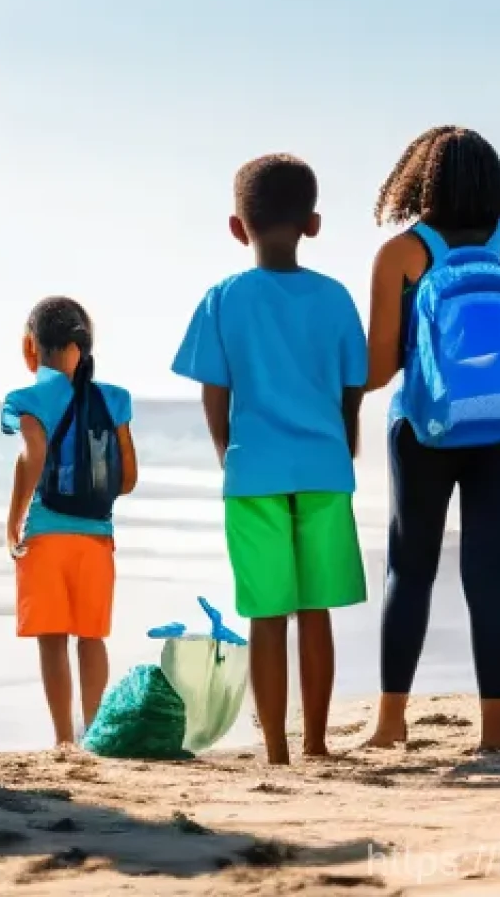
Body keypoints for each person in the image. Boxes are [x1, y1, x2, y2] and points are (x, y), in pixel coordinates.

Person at [172, 154, 368, 765]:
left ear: (238, 227)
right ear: (313, 223)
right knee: (315, 609)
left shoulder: (223, 299)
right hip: (323, 470)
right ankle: (317, 742)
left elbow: (214, 394)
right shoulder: (335, 298)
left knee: (265, 614)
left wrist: (225, 454)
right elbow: (352, 390)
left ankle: (277, 750)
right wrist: (346, 446)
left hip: (252, 471)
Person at [365, 126, 500, 751]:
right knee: (491, 571)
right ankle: (497, 737)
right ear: (497, 182)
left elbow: (379, 367)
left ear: (420, 181)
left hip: (424, 429)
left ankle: (390, 725)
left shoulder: (403, 253)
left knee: (409, 570)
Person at [2, 297, 137, 746]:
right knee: (91, 638)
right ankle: (95, 733)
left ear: (30, 348)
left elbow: (33, 455)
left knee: (52, 640)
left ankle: (63, 738)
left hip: (45, 536)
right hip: (96, 540)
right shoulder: (114, 400)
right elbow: (129, 478)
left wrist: (14, 519)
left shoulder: (26, 398)